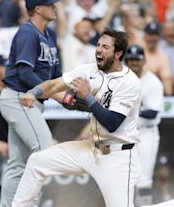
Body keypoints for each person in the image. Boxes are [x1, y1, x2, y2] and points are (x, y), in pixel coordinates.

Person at [14, 29, 142, 207]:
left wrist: (88, 96)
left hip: (117, 156)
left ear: (118, 53)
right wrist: (33, 92)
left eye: (105, 47)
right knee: (37, 162)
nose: (99, 50)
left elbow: (112, 123)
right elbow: (55, 84)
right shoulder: (88, 70)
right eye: (98, 45)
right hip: (90, 149)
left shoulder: (129, 82)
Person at [0, 0, 62, 207]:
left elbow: (57, 76)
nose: (54, 7)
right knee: (44, 152)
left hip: (32, 101)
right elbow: (25, 73)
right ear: (38, 9)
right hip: (18, 98)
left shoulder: (50, 35)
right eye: (50, 4)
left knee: (18, 164)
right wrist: (56, 93)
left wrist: (67, 93)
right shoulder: (27, 33)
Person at [124, 45, 164, 206]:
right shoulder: (122, 79)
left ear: (144, 61)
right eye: (131, 60)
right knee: (124, 178)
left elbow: (153, 113)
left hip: (146, 134)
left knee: (144, 178)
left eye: (137, 60)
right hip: (126, 133)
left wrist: (131, 109)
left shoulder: (153, 82)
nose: (134, 63)